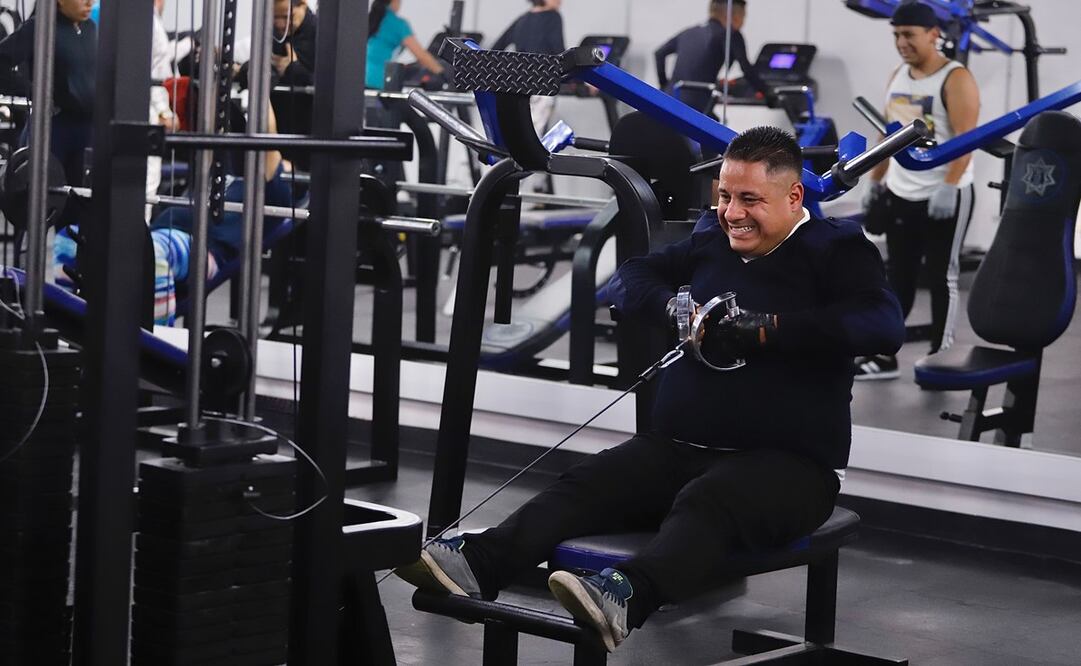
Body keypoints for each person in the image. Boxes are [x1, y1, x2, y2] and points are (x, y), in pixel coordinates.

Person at [395, 126, 905, 652]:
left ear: (794, 195)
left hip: (792, 468)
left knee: (710, 500)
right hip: (679, 449)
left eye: (750, 199)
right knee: (589, 481)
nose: (733, 212)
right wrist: (671, 305)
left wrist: (768, 328)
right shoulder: (713, 237)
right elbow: (630, 277)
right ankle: (479, 564)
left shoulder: (836, 249)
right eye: (725, 196)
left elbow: (883, 326)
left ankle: (625, 597)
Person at [856, 1, 979, 380]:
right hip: (901, 189)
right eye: (896, 35)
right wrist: (874, 181)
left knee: (943, 276)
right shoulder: (898, 75)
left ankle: (940, 356)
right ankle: (885, 355)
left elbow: (967, 138)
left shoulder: (955, 78)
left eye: (908, 35)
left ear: (933, 34)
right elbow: (886, 134)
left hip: (945, 193)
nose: (901, 42)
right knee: (898, 276)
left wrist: (948, 185)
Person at [147, 103, 295, 325]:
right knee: (77, 244)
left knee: (152, 252)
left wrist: (260, 82)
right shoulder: (228, 174)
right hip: (155, 233)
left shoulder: (274, 193)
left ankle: (154, 343)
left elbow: (268, 135)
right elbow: (216, 106)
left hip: (201, 249)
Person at [0, 0, 96, 189]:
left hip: (87, 131)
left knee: (81, 199)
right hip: (54, 129)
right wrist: (32, 90)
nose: (89, 2)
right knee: (50, 196)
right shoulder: (40, 27)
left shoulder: (90, 29)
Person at [654, 0, 770, 115]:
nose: (743, 23)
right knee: (718, 128)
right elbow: (747, 70)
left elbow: (659, 53)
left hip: (670, 100)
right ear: (733, 16)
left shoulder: (689, 32)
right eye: (743, 17)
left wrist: (664, 86)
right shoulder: (731, 35)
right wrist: (768, 93)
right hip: (695, 107)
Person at [491, 0, 565, 137]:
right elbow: (559, 51)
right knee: (535, 138)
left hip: (520, 84)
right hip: (543, 85)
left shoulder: (522, 19)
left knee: (519, 135)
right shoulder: (553, 17)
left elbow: (496, 48)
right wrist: (578, 79)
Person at [364, 0, 443, 91]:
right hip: (377, 81)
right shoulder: (397, 24)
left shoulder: (370, 18)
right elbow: (421, 56)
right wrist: (442, 73)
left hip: (359, 79)